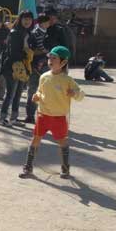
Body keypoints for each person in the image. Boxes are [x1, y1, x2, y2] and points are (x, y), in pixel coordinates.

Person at [18, 46, 84, 179]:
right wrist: (36, 96)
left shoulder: (67, 80)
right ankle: (28, 167)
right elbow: (40, 91)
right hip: (43, 115)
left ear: (63, 62)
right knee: (35, 140)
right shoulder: (44, 77)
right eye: (50, 57)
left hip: (59, 118)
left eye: (54, 58)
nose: (50, 60)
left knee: (62, 142)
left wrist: (74, 93)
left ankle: (65, 168)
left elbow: (81, 94)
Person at [0, 10, 33, 127]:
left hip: (22, 67)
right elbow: (13, 52)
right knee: (10, 94)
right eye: (25, 19)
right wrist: (26, 53)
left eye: (29, 19)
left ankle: (14, 118)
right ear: (20, 19)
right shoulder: (15, 33)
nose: (27, 21)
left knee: (18, 94)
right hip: (11, 67)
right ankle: (2, 118)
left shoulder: (27, 33)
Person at [24, 14, 50, 124]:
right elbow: (36, 48)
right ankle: (30, 115)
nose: (48, 24)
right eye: (47, 22)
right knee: (33, 90)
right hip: (35, 65)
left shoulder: (47, 32)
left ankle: (42, 116)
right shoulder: (36, 33)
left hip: (44, 64)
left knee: (43, 91)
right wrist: (45, 52)